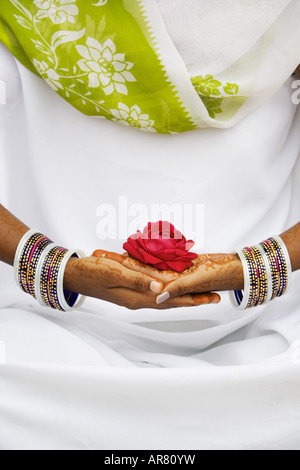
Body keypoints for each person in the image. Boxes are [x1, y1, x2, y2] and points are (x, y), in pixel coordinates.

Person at [0, 0, 299, 450]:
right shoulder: (27, 10)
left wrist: (255, 268)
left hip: (273, 342)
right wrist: (57, 271)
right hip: (38, 342)